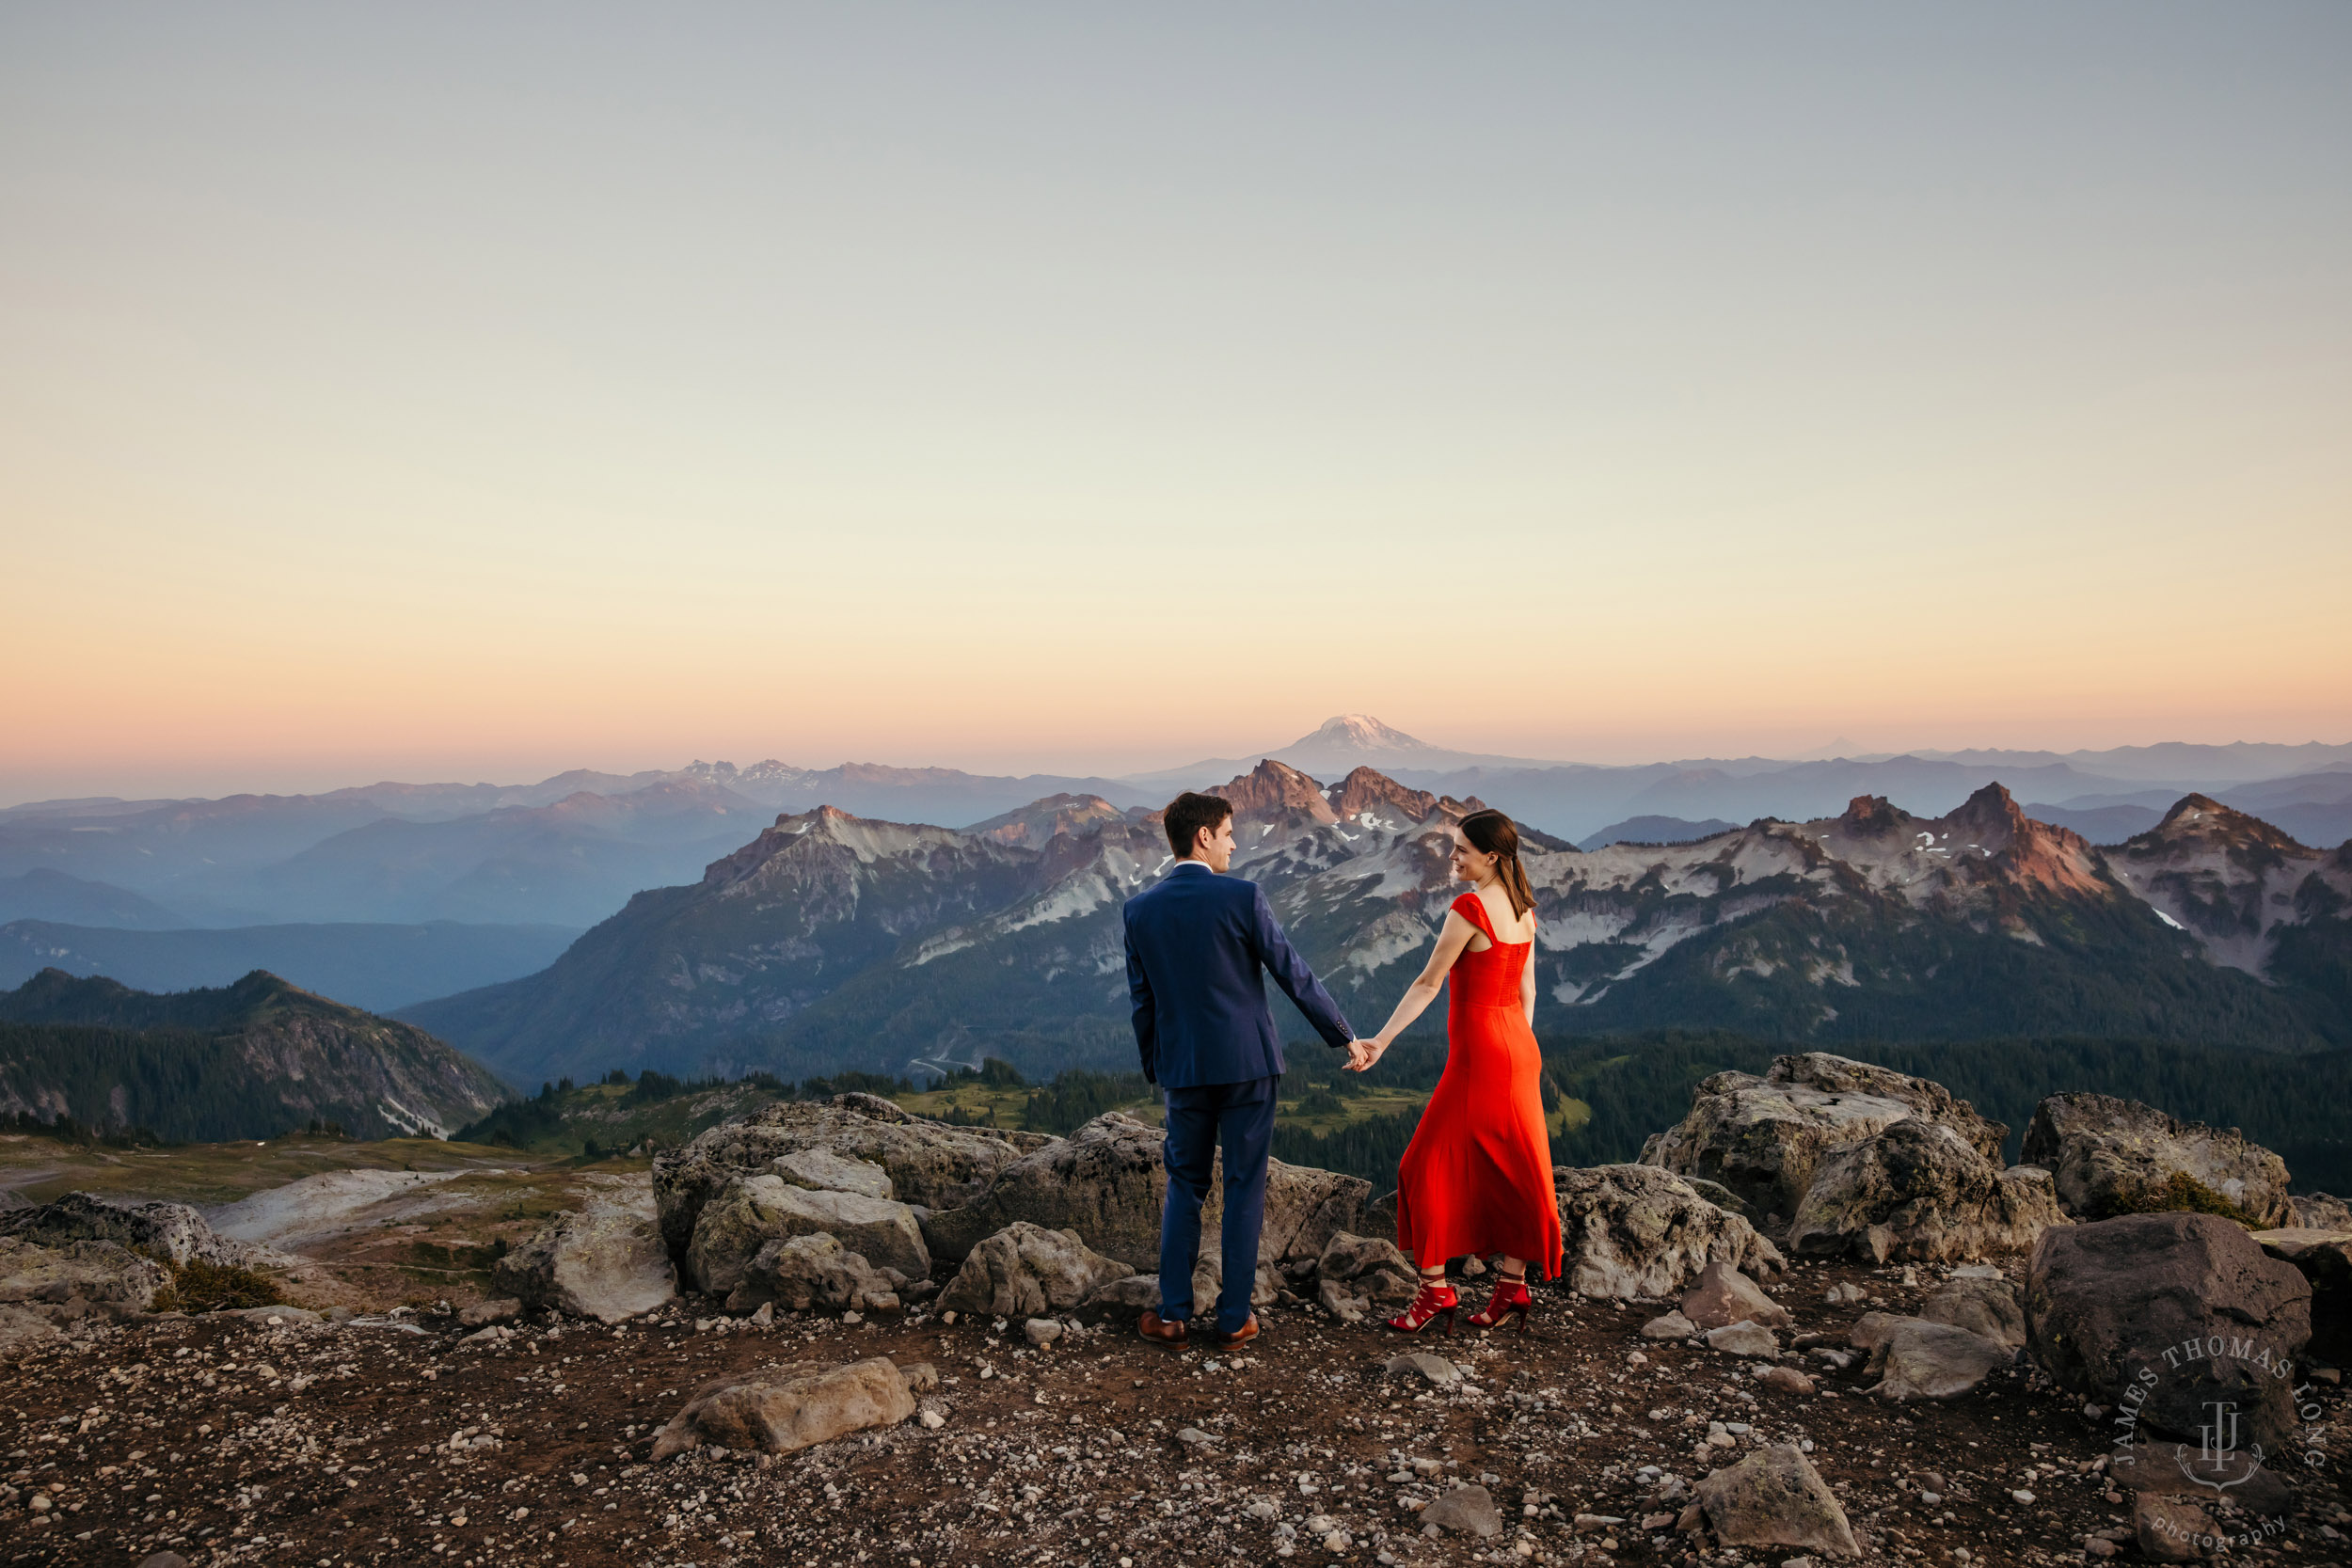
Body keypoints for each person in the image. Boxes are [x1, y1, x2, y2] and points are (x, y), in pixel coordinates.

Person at [1123, 789, 1359, 1349]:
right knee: (1245, 1185)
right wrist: (1343, 1035)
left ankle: (1174, 1314)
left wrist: (1157, 1065)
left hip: (1183, 1069)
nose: (1234, 843)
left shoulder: (1139, 911)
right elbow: (1292, 973)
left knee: (1185, 1185)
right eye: (1228, 833)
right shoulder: (1242, 897)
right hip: (1249, 1064)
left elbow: (1143, 1002)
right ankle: (1234, 1318)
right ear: (1202, 836)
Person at [1346, 808, 1562, 1334]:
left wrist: (1381, 1039)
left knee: (1422, 1165)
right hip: (1519, 1050)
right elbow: (1527, 992)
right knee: (1512, 1164)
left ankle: (1435, 1290)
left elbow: (1427, 983)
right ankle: (1511, 1284)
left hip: (1481, 1056)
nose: (1453, 856)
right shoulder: (1523, 907)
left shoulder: (1469, 909)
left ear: (1492, 856)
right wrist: (1520, 1048)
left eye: (1462, 849)